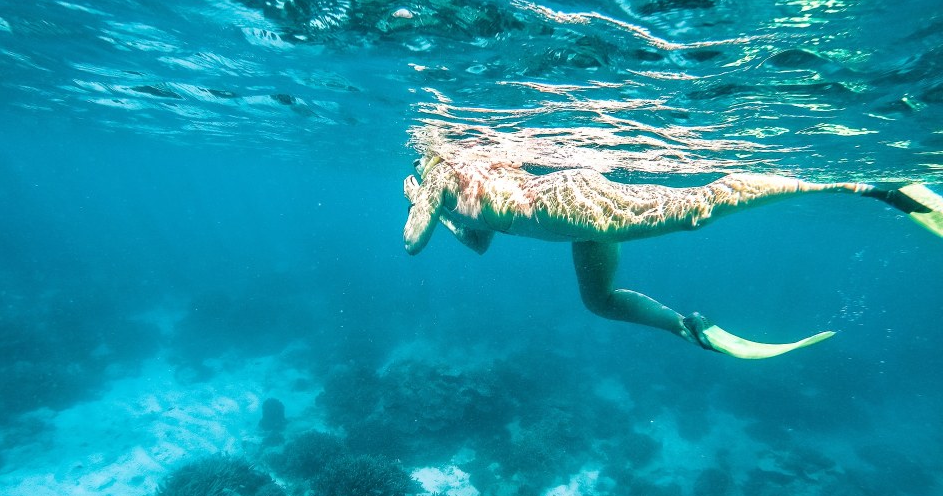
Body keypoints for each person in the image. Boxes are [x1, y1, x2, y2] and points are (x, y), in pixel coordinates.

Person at [402, 155, 943, 359]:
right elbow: (479, 243)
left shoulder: (438, 174)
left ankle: (862, 185)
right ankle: (691, 329)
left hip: (575, 206)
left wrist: (419, 201)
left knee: (695, 210)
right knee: (600, 301)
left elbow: (410, 241)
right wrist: (447, 216)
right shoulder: (455, 198)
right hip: (571, 226)